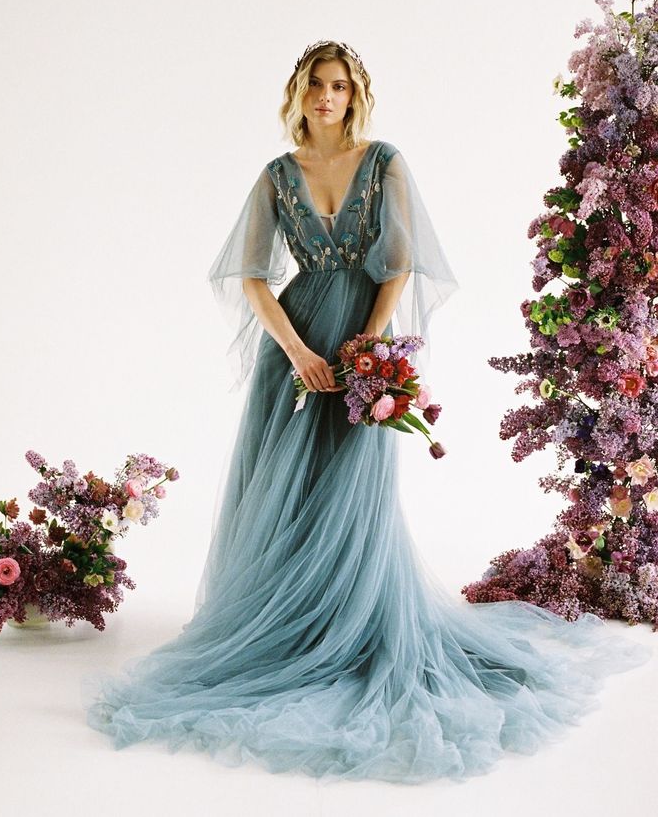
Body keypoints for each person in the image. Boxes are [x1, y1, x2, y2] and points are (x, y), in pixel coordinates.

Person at [82, 40, 651, 784]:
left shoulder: (383, 162)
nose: (327, 97)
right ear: (299, 93)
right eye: (316, 85)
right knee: (283, 493)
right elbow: (251, 277)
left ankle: (349, 627)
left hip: (361, 348)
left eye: (339, 85)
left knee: (353, 489)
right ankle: (284, 629)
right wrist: (294, 352)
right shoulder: (276, 176)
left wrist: (370, 349)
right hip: (294, 352)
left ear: (355, 95)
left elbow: (401, 261)